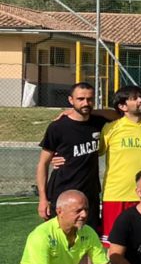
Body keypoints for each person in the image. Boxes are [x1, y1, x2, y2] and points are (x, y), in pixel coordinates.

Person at [37, 83, 110, 233]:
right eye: (80, 99)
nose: (86, 103)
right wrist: (42, 199)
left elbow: (119, 114)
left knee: (89, 238)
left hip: (90, 193)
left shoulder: (98, 122)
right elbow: (43, 164)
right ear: (71, 100)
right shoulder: (58, 127)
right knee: (61, 238)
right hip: (62, 192)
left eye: (89, 99)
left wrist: (89, 110)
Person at [98, 85, 141, 243]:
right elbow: (91, 153)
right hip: (116, 196)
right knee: (113, 245)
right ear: (122, 106)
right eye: (135, 98)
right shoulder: (110, 128)